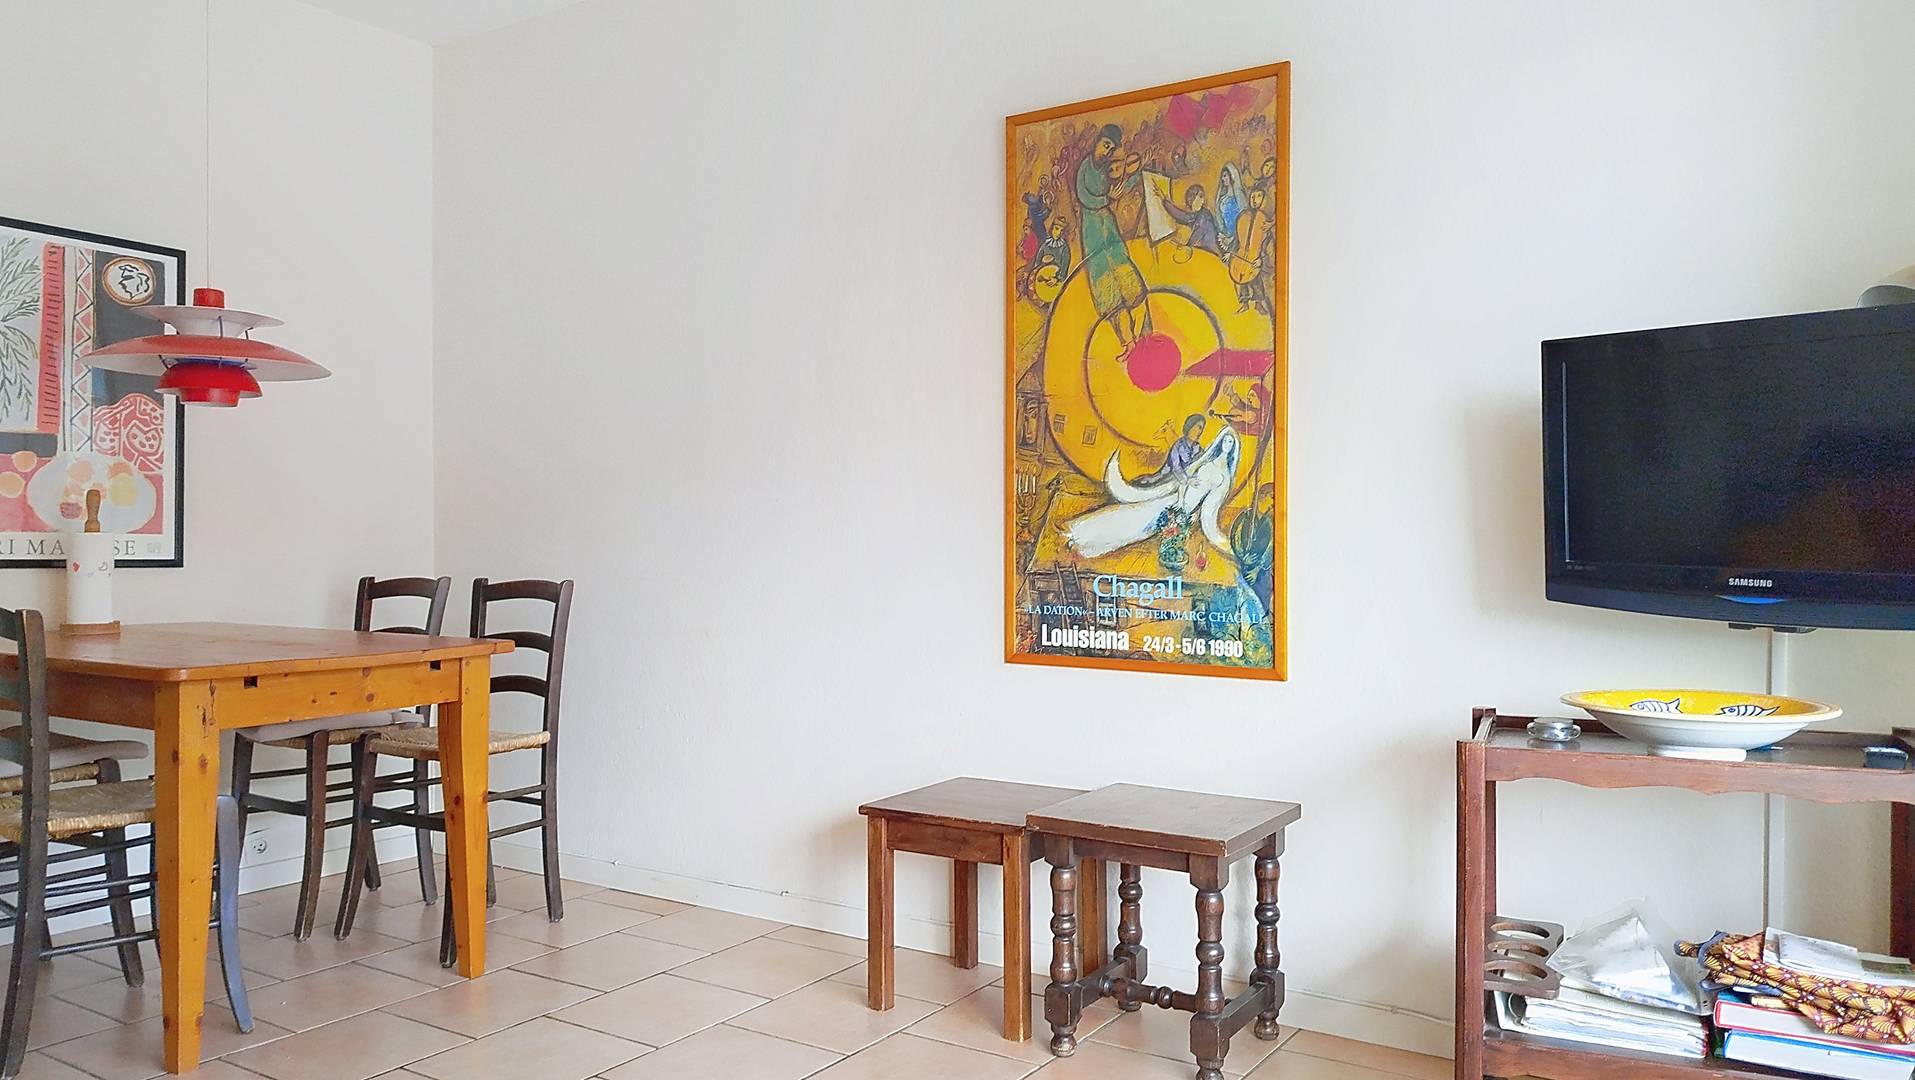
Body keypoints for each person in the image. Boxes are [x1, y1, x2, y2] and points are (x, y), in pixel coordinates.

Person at [1074, 123, 1148, 349]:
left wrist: (1139, 172)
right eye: (1105, 145)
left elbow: (1121, 186)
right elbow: (1084, 197)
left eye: (1111, 148)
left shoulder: (1107, 169)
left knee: (1128, 278)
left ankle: (1145, 335)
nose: (1106, 152)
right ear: (1097, 142)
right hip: (1093, 234)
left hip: (1109, 229)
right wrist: (1107, 199)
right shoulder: (1085, 168)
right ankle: (1128, 343)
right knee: (1107, 291)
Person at [1230, 484, 1277, 615]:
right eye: (1272, 498)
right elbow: (1235, 538)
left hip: (1261, 572)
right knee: (1244, 599)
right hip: (1244, 566)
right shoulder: (1245, 516)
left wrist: (1258, 568)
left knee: (1261, 601)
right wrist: (1242, 556)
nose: (1272, 505)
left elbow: (1270, 548)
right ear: (1262, 497)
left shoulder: (1269, 521)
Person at [1228, 185, 1274, 315]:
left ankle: (1258, 304)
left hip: (1255, 257)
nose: (1254, 200)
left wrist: (1261, 259)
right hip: (1241, 255)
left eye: (1258, 196)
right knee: (1240, 280)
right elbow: (1238, 239)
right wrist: (1230, 252)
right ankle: (1244, 303)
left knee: (1256, 281)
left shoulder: (1264, 219)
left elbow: (1264, 244)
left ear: (1263, 199)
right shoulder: (1243, 216)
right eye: (1252, 196)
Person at [1139, 414, 1206, 485]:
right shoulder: (1178, 446)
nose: (1200, 432)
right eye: (1199, 427)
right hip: (1166, 480)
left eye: (1202, 428)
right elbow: (1176, 467)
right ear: (1189, 427)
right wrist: (1187, 481)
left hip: (1185, 480)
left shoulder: (1198, 448)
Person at [1164, 184, 1221, 256]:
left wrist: (1187, 246)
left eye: (1202, 197)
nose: (1203, 201)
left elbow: (1198, 233)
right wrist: (1165, 202)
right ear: (1191, 198)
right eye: (1200, 197)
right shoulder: (1197, 214)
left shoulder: (1204, 215)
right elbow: (1182, 216)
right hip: (1203, 251)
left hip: (1210, 253)